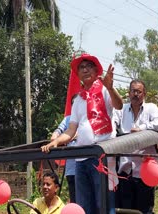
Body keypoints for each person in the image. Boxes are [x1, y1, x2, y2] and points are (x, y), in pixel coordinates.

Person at [42, 53, 123, 214]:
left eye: (88, 66)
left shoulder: (104, 90)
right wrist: (56, 142)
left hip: (101, 156)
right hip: (81, 158)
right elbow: (72, 129)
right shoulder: (78, 100)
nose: (85, 70)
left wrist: (110, 87)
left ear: (95, 70)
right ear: (78, 74)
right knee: (84, 205)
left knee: (104, 204)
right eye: (81, 67)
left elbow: (119, 105)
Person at [114, 80, 158, 214]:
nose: (135, 94)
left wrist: (142, 128)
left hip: (144, 170)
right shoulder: (121, 109)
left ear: (144, 94)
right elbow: (112, 125)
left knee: (145, 210)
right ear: (129, 92)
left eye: (139, 91)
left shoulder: (151, 108)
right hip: (124, 171)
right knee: (126, 210)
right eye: (133, 91)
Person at [50, 94, 78, 203]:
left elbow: (76, 134)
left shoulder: (86, 119)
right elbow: (59, 130)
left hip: (85, 167)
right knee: (75, 201)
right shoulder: (68, 119)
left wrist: (65, 138)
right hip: (71, 168)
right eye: (74, 104)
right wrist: (55, 136)